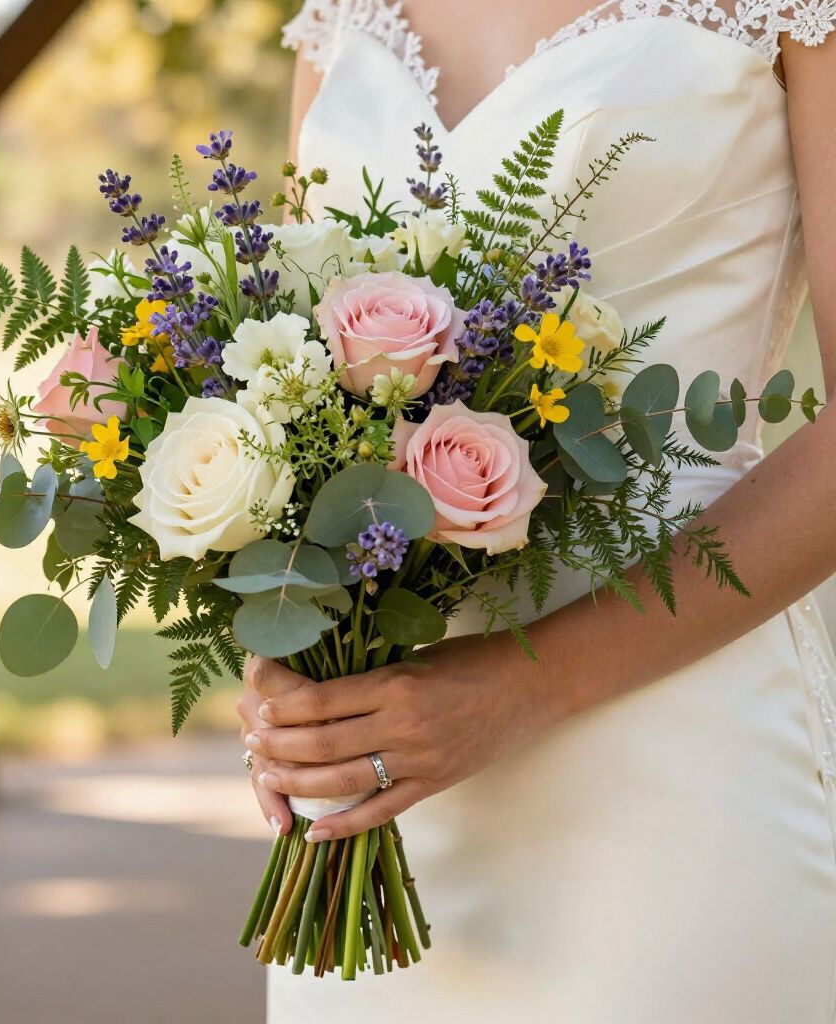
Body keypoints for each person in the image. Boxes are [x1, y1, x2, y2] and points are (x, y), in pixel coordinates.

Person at [238, 2, 836, 1020]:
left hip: (678, 764)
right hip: (380, 797)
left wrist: (519, 689)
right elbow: (297, 372)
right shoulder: (336, 15)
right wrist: (283, 640)